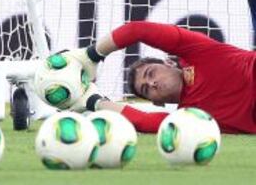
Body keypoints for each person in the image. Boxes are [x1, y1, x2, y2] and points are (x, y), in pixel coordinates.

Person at [65, 21, 256, 134]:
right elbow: (141, 121)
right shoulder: (187, 120)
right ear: (157, 103)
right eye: (146, 89)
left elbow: (137, 30)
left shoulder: (199, 52)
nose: (152, 83)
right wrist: (92, 101)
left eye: (151, 73)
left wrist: (91, 54)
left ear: (170, 63)